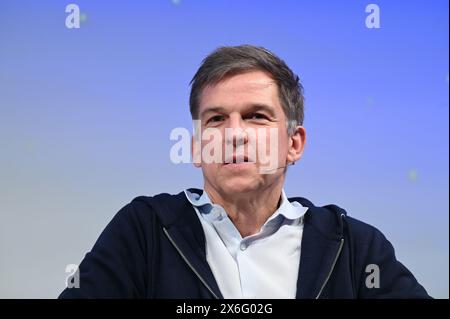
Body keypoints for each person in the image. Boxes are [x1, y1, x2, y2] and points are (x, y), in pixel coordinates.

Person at [59, 45, 430, 299]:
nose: (234, 134)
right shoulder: (144, 232)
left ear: (294, 144)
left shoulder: (355, 247)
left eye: (256, 116)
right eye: (216, 119)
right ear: (196, 148)